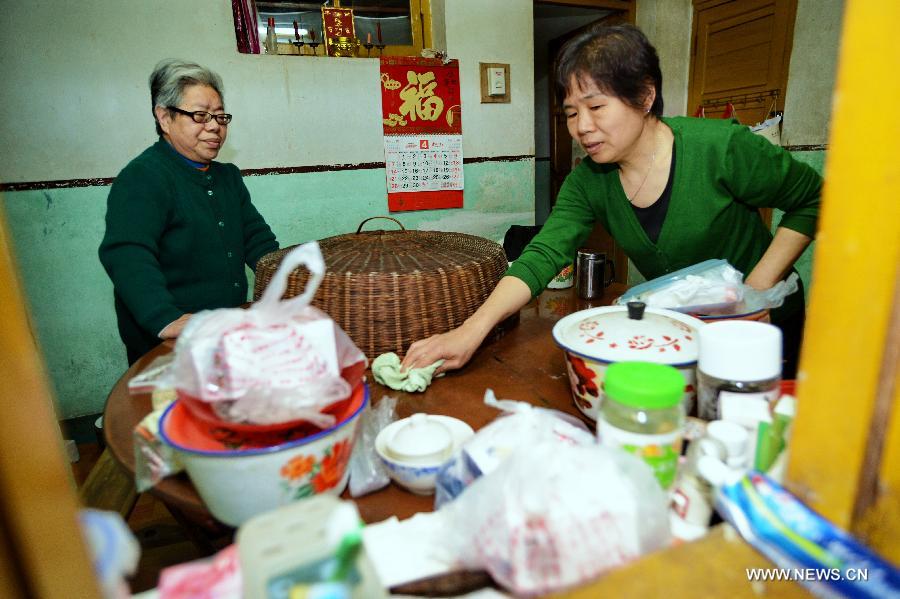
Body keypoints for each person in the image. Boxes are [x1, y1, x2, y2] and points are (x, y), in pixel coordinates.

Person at [403, 24, 820, 379]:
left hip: (764, 328)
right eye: (570, 112)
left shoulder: (721, 148)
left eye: (597, 106)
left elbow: (814, 199)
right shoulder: (589, 182)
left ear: (644, 96)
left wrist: (753, 294)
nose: (583, 127)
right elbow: (543, 254)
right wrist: (468, 332)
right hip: (685, 331)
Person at [99, 59, 278, 364]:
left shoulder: (228, 177)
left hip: (223, 331)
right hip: (170, 343)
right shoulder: (144, 177)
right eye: (199, 116)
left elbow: (257, 240)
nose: (214, 127)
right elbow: (128, 253)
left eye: (220, 117)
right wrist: (166, 319)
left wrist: (288, 280)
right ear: (165, 117)